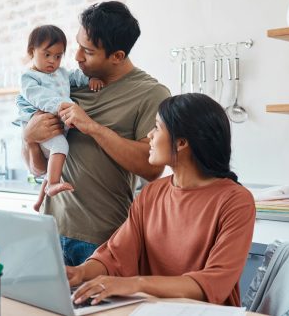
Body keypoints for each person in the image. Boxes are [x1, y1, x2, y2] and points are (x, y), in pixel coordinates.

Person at [66, 93, 256, 306]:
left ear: (181, 142)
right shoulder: (151, 194)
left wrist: (136, 284)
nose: (149, 135)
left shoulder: (236, 201)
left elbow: (214, 283)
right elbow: (115, 254)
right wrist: (79, 272)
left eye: (157, 127)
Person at [22, 1, 170, 266]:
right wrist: (30, 139)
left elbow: (151, 167)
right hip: (50, 230)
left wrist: (92, 127)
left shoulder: (150, 94)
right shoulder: (67, 84)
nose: (76, 57)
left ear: (117, 56)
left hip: (104, 238)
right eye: (77, 45)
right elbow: (37, 169)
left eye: (87, 51)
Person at [14, 25, 103, 212]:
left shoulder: (60, 73)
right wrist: (60, 106)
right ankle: (53, 183)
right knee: (61, 146)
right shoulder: (28, 78)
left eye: (58, 56)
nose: (52, 61)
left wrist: (90, 79)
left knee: (54, 162)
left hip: (54, 124)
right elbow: (37, 96)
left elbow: (76, 76)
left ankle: (40, 201)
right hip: (42, 124)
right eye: (47, 55)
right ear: (32, 52)